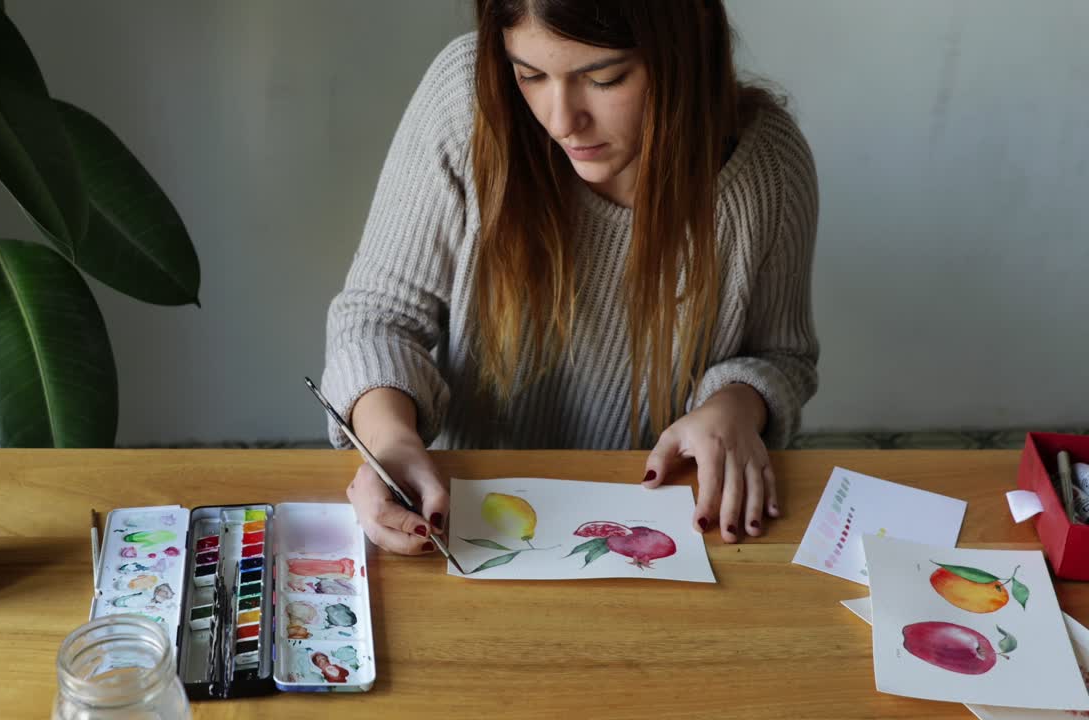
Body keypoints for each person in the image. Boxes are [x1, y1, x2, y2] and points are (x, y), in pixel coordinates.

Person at [321, 0, 819, 554]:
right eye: (529, 74)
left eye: (604, 78)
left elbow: (784, 357)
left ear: (686, 53)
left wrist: (736, 404)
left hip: (665, 531)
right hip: (464, 512)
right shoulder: (469, 102)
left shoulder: (768, 167)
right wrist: (390, 443)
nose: (561, 120)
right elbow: (379, 317)